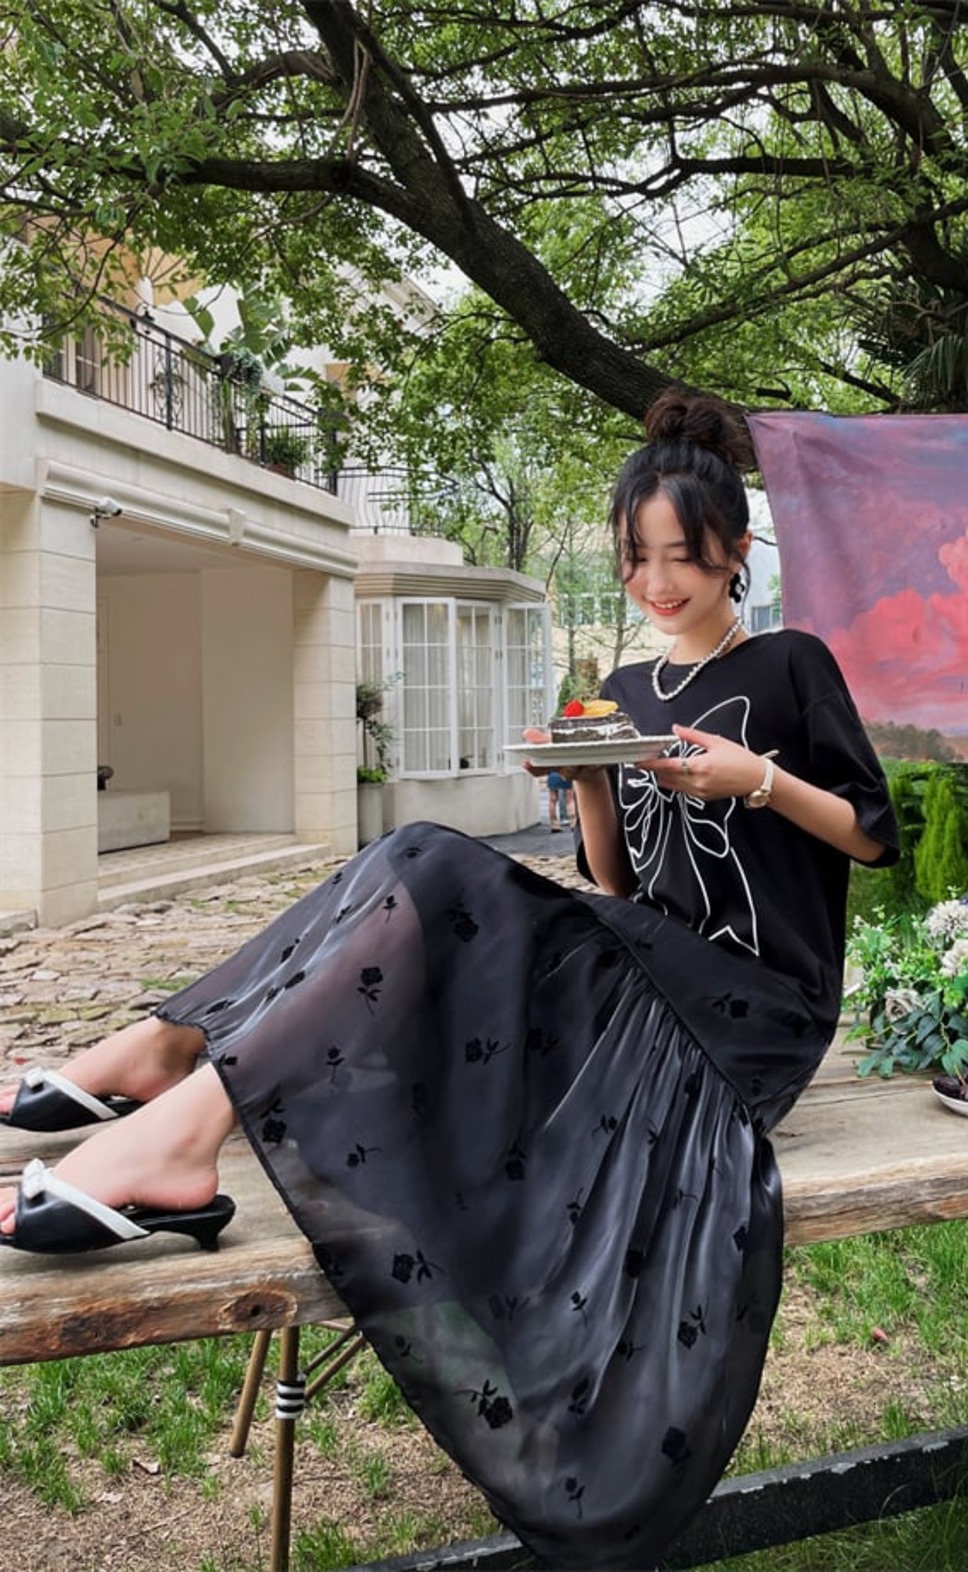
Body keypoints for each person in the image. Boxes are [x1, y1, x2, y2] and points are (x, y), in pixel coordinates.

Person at [0, 389, 898, 1569]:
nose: (656, 581)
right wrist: (583, 777)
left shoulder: (788, 664)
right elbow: (614, 886)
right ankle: (171, 1067)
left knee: (426, 861)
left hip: (754, 1009)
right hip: (646, 968)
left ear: (733, 550)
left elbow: (873, 836)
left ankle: (169, 1084)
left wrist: (756, 781)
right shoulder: (628, 691)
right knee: (406, 864)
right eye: (635, 558)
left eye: (681, 556)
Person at [545, 767, 574, 831]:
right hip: (566, 773)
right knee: (570, 800)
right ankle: (573, 823)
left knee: (552, 800)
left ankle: (554, 825)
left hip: (552, 774)